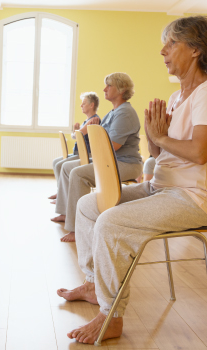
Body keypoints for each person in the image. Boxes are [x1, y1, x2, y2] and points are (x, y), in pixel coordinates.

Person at [57, 15, 207, 344]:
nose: (163, 51)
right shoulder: (176, 97)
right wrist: (155, 137)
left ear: (195, 50)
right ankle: (95, 284)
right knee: (87, 205)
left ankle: (112, 315)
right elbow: (160, 151)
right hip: (160, 188)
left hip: (191, 197)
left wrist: (161, 138)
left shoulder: (205, 93)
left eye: (171, 43)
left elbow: (198, 153)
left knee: (111, 222)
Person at [52, 72, 143, 242]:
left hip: (126, 163)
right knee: (66, 167)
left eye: (109, 85)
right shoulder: (112, 113)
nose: (104, 89)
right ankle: (66, 213)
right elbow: (103, 146)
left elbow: (111, 146)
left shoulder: (125, 113)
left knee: (78, 174)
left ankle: (77, 229)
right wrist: (94, 131)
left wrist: (93, 131)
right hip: (110, 160)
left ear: (121, 89)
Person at [49, 92, 100, 201]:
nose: (81, 105)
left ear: (92, 105)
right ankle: (61, 193)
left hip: (86, 154)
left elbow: (76, 136)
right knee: (56, 163)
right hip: (79, 153)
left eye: (84, 103)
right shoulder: (87, 121)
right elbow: (77, 135)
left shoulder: (93, 120)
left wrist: (76, 132)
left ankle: (63, 196)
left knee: (60, 165)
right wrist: (76, 131)